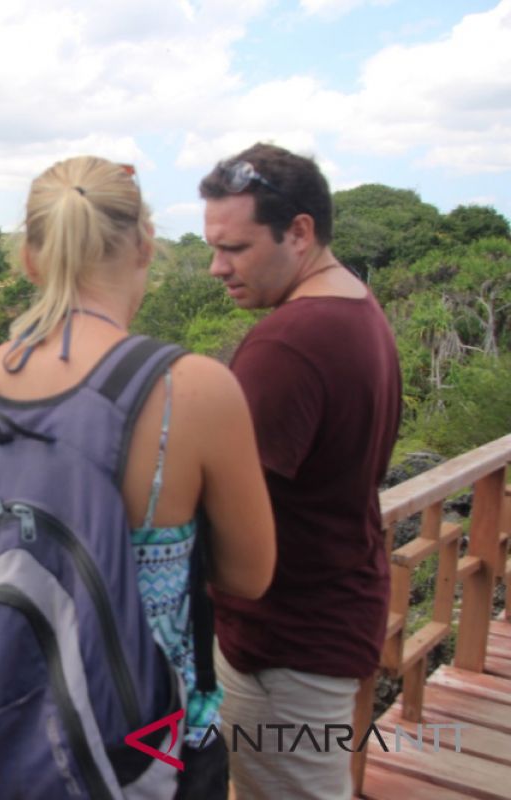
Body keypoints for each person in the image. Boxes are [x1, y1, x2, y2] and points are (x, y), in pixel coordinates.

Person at [0, 155, 276, 798]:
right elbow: (250, 576)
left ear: (30, 258)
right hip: (140, 755)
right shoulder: (191, 389)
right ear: (145, 244)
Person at [199, 143, 402, 799]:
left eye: (234, 247)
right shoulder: (356, 309)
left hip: (283, 644)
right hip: (334, 612)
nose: (215, 266)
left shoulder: (289, 340)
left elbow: (223, 502)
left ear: (300, 231)